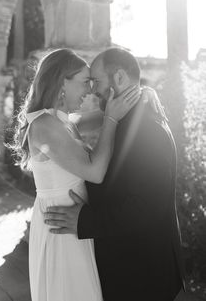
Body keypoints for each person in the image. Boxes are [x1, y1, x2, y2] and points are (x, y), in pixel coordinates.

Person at [44, 47, 186, 301]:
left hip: (144, 273)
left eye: (96, 81)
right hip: (130, 264)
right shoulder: (127, 120)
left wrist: (84, 221)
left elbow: (145, 207)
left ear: (119, 78)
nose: (92, 90)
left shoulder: (147, 130)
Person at [10, 48, 141, 301]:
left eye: (93, 83)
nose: (90, 90)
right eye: (85, 82)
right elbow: (95, 172)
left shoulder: (65, 122)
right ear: (62, 82)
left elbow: (107, 113)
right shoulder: (45, 125)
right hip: (61, 229)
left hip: (73, 223)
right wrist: (112, 120)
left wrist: (143, 95)